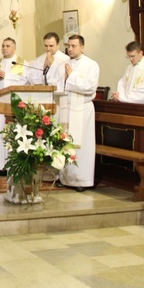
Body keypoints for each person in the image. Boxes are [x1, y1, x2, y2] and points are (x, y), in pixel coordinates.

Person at [57, 35, 99, 191]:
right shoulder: (64, 63)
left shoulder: (91, 65)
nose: (70, 49)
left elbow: (89, 86)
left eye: (74, 46)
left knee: (81, 146)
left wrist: (71, 77)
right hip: (66, 108)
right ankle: (65, 177)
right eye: (69, 46)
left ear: (82, 47)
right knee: (65, 143)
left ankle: (81, 180)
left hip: (82, 109)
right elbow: (56, 83)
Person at [0, 38, 29, 172]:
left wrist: (7, 76)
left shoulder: (22, 63)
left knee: (11, 131)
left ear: (14, 48)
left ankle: (12, 164)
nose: (4, 48)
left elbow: (26, 81)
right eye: (3, 46)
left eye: (8, 46)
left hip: (13, 104)